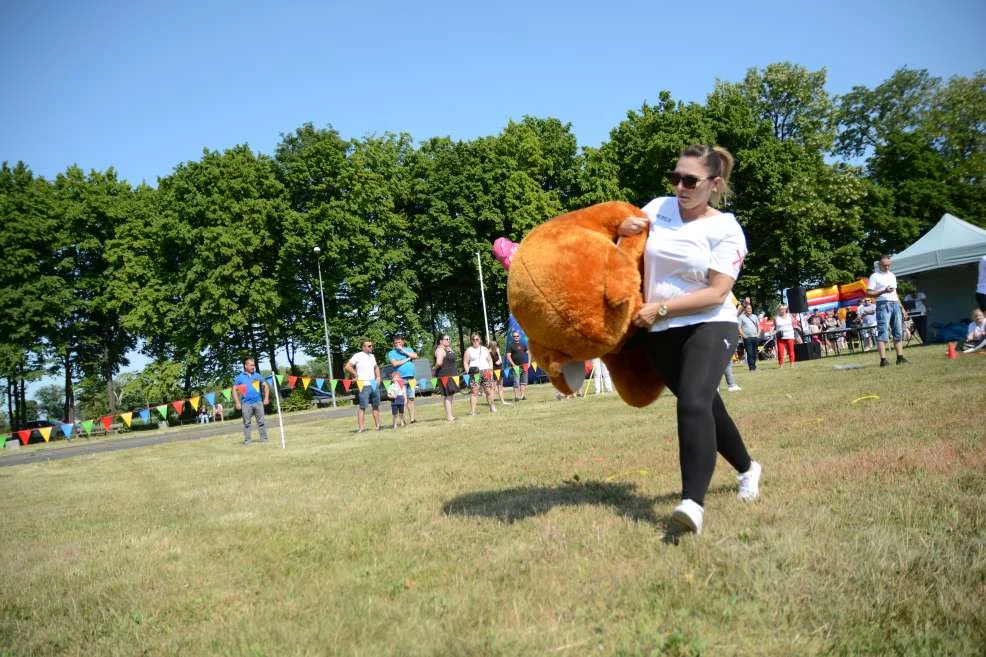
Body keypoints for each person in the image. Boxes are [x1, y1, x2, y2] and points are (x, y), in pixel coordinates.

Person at [617, 143, 761, 536]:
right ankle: (748, 468)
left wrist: (662, 308)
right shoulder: (657, 208)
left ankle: (691, 504)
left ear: (714, 184)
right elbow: (626, 251)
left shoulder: (726, 228)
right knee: (708, 409)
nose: (679, 186)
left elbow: (717, 292)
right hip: (659, 333)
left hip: (710, 323)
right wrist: (621, 231)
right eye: (675, 177)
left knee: (694, 402)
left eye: (690, 180)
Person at [866, 255, 909, 367]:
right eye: (885, 265)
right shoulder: (874, 276)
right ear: (880, 264)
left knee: (898, 331)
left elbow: (895, 293)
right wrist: (883, 291)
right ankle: (883, 360)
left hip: (895, 304)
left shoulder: (892, 275)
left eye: (889, 265)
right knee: (883, 332)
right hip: (882, 305)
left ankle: (900, 357)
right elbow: (869, 293)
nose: (887, 267)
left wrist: (902, 308)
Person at [344, 339, 382, 432]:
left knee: (376, 406)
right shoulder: (358, 356)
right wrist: (356, 375)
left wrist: (378, 377)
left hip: (373, 384)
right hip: (363, 385)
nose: (371, 347)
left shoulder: (372, 356)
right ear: (363, 347)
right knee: (362, 407)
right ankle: (361, 428)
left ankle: (378, 426)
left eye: (372, 345)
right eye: (369, 346)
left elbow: (376, 367)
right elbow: (347, 366)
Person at [233, 357, 270, 444]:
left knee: (261, 422)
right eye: (251, 365)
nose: (253, 367)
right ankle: (248, 441)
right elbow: (234, 389)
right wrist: (237, 402)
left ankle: (264, 439)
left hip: (258, 402)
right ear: (246, 366)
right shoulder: (239, 377)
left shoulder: (257, 375)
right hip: (246, 404)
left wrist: (266, 398)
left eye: (254, 365)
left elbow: (266, 386)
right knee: (247, 424)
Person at [463, 332, 497, 415]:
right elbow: (465, 362)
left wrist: (491, 370)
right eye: (473, 339)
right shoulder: (468, 350)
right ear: (471, 340)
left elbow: (490, 360)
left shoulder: (485, 349)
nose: (475, 341)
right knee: (474, 392)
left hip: (486, 371)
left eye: (477, 339)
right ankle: (473, 411)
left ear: (480, 340)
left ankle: (492, 408)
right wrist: (468, 371)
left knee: (488, 391)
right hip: (475, 373)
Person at [387, 335, 418, 424]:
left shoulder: (408, 349)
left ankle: (412, 419)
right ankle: (402, 420)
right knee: (401, 400)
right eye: (396, 343)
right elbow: (395, 364)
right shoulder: (391, 353)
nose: (397, 344)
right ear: (393, 344)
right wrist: (408, 359)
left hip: (411, 378)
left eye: (399, 342)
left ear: (403, 342)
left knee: (411, 399)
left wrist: (403, 350)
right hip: (400, 379)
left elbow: (415, 356)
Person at [433, 334, 459, 422]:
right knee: (448, 395)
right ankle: (449, 416)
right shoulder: (440, 350)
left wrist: (450, 351)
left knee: (450, 395)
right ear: (441, 341)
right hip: (445, 375)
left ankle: (450, 415)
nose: (449, 340)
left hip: (450, 374)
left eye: (449, 338)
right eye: (447, 339)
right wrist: (434, 369)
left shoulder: (446, 349)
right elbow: (439, 362)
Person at [506, 330, 529, 401]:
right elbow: (508, 356)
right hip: (516, 367)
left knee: (524, 382)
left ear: (520, 336)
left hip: (524, 365)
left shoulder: (524, 344)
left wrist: (529, 362)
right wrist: (513, 365)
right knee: (516, 382)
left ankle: (522, 396)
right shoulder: (510, 345)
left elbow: (529, 353)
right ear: (512, 337)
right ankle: (516, 397)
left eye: (517, 336)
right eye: (514, 336)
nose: (516, 337)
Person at [488, 340, 511, 405]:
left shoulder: (497, 351)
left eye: (496, 345)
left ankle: (503, 401)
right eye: (494, 345)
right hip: (493, 370)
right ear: (491, 346)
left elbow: (500, 361)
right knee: (493, 387)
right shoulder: (488, 353)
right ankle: (491, 403)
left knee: (500, 386)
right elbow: (491, 362)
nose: (496, 347)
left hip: (499, 369)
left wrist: (498, 353)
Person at [738, 305, 760, 371]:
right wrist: (743, 335)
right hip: (747, 338)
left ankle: (754, 366)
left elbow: (758, 325)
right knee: (749, 353)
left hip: (755, 337)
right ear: (745, 309)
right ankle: (751, 368)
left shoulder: (755, 316)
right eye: (748, 308)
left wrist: (758, 333)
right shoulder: (741, 317)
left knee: (754, 353)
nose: (749, 310)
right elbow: (739, 327)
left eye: (750, 308)